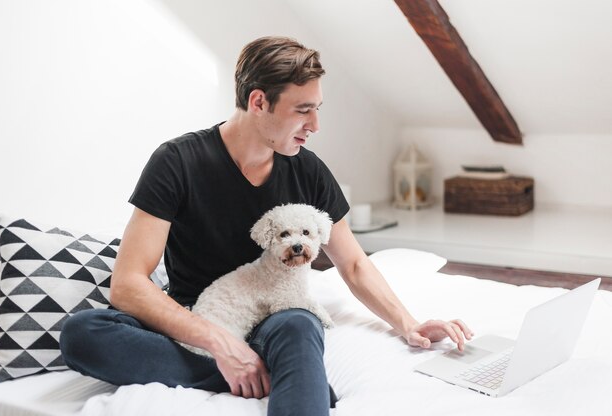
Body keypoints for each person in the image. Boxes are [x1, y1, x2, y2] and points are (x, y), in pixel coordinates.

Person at [60, 36, 473, 416]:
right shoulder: (177, 162)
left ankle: (265, 372)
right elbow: (128, 284)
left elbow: (353, 264)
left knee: (298, 324)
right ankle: (272, 377)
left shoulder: (308, 171)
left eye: (317, 109)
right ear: (258, 102)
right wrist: (220, 344)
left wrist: (409, 323)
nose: (315, 125)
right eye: (302, 110)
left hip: (279, 316)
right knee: (83, 333)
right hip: (200, 317)